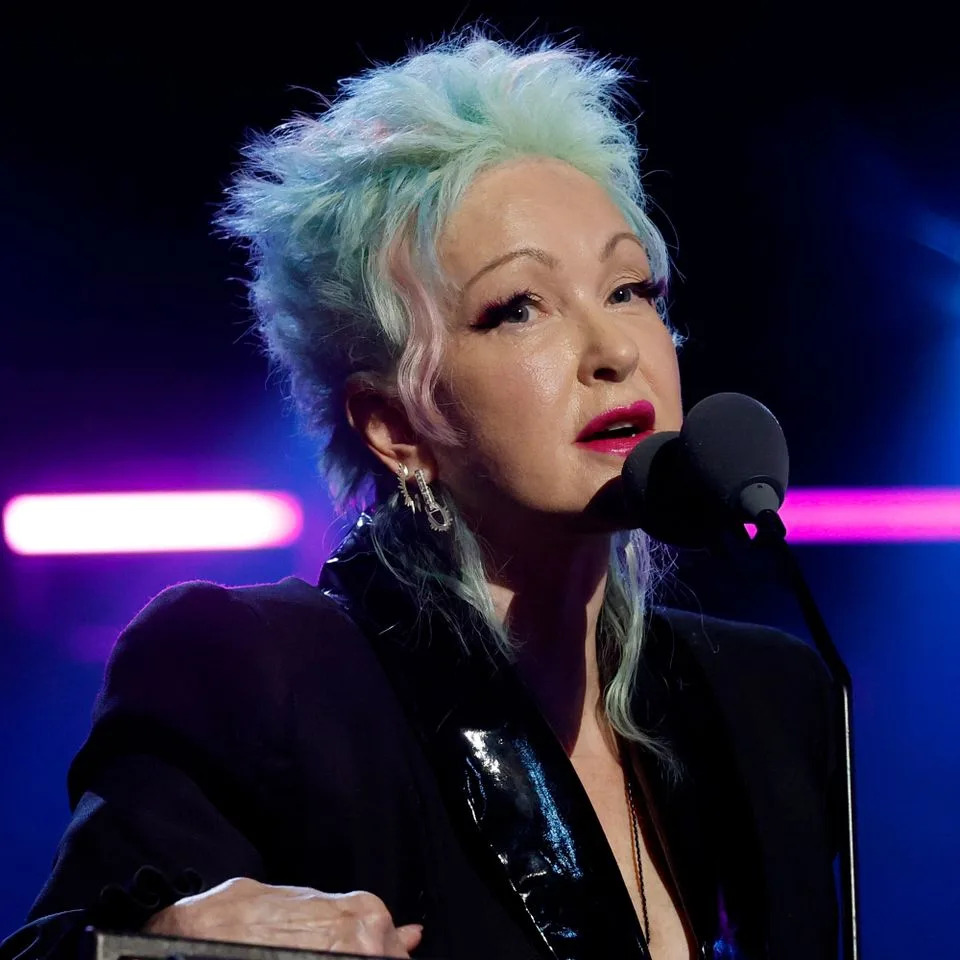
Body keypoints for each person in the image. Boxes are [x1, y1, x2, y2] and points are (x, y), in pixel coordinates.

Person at [1, 33, 840, 960]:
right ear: (395, 425)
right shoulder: (254, 675)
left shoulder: (771, 701)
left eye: (629, 289)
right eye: (518, 307)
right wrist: (163, 943)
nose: (613, 351)